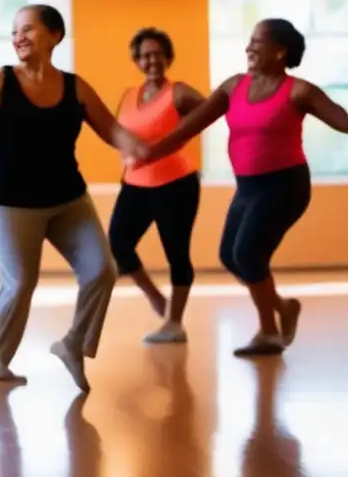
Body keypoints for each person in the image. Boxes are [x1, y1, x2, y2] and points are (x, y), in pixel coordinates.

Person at [0, 4, 141, 392]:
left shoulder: (75, 86)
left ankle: (73, 344)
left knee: (102, 270)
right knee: (20, 282)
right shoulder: (1, 81)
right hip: (9, 199)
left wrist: (133, 147)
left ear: (56, 35)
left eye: (28, 29)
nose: (18, 37)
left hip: (67, 197)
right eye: (15, 31)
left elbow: (113, 129)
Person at [133, 18, 348, 356]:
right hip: (248, 187)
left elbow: (342, 120)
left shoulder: (300, 91)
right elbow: (190, 125)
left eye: (257, 42)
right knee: (231, 257)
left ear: (279, 51)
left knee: (247, 253)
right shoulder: (234, 87)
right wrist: (150, 152)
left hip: (285, 185)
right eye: (249, 41)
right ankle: (283, 307)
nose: (249, 47)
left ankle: (269, 332)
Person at [108, 28, 204, 343]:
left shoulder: (179, 92)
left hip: (176, 183)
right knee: (118, 243)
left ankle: (174, 323)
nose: (152, 60)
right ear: (137, 60)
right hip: (135, 183)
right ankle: (155, 299)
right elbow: (118, 132)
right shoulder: (128, 95)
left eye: (157, 54)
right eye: (145, 55)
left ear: (168, 57)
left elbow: (209, 113)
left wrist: (179, 137)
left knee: (176, 252)